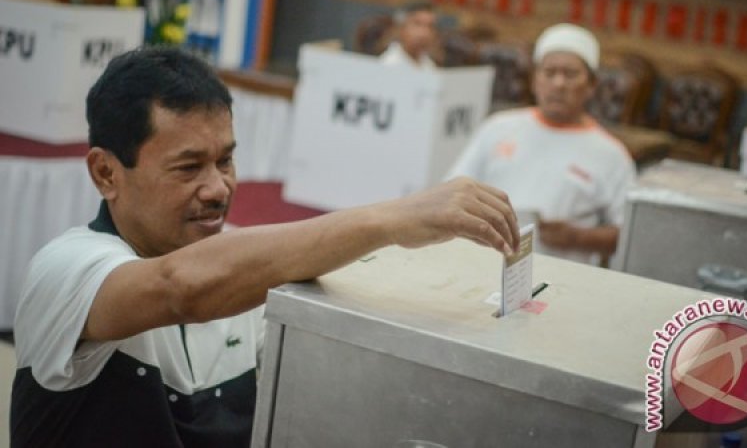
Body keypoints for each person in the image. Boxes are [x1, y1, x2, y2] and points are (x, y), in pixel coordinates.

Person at [10, 46, 519, 447]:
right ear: (105, 172)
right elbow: (180, 287)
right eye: (188, 168)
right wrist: (388, 218)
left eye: (226, 161)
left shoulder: (243, 271)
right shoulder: (66, 269)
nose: (218, 188)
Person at [446, 23, 636, 266]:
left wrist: (578, 237)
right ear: (535, 80)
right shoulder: (497, 128)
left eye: (570, 74)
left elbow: (628, 234)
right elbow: (454, 190)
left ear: (591, 86)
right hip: (478, 265)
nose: (558, 83)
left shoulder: (611, 154)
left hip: (561, 281)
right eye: (549, 72)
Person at [379, 0, 438, 69]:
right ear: (400, 28)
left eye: (430, 26)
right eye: (417, 24)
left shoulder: (429, 66)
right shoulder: (387, 64)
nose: (424, 33)